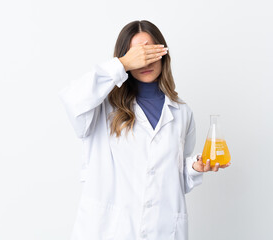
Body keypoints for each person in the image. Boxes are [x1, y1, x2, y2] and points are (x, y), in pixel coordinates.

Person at [58, 20, 230, 240]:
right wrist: (121, 65)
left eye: (150, 51)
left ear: (163, 52)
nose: (144, 60)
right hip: (109, 230)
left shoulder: (181, 112)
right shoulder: (101, 106)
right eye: (136, 54)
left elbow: (174, 178)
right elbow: (72, 100)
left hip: (163, 230)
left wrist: (195, 166)